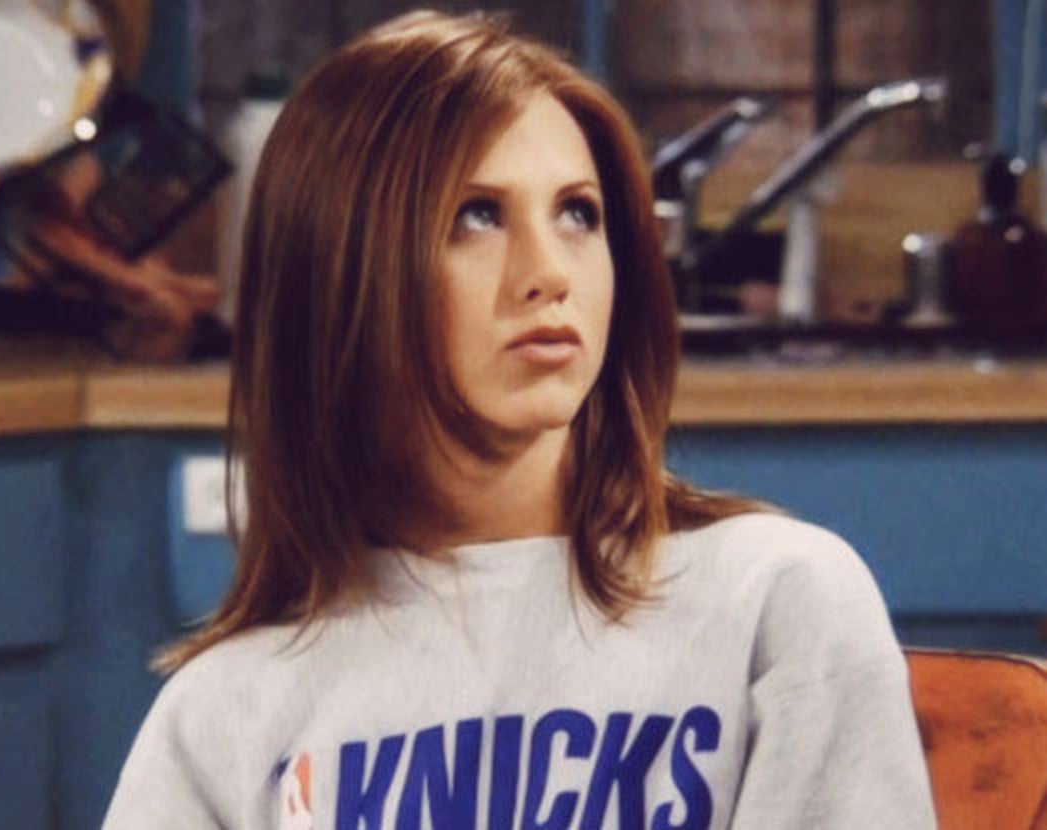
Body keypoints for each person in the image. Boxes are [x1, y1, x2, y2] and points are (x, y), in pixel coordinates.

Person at [103, 10, 935, 829]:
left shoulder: (775, 601)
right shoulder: (222, 713)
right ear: (341, 274)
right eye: (478, 215)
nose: (549, 272)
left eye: (578, 213)